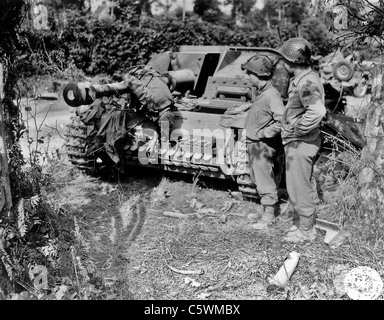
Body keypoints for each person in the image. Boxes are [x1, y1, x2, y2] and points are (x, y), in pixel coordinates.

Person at [278, 37, 327, 243]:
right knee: (302, 185)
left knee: (299, 187)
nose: (282, 64)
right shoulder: (303, 79)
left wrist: (297, 128)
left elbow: (316, 111)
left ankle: (305, 231)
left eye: (284, 60)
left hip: (301, 143)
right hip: (301, 142)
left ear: (292, 62)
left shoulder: (306, 82)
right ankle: (303, 224)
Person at [242, 54, 285, 231]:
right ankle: (265, 210)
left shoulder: (271, 95)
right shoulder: (263, 93)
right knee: (259, 178)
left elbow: (282, 120)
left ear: (256, 74)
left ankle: (268, 217)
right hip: (255, 144)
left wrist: (263, 133)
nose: (246, 76)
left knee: (264, 180)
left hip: (262, 145)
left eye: (248, 73)